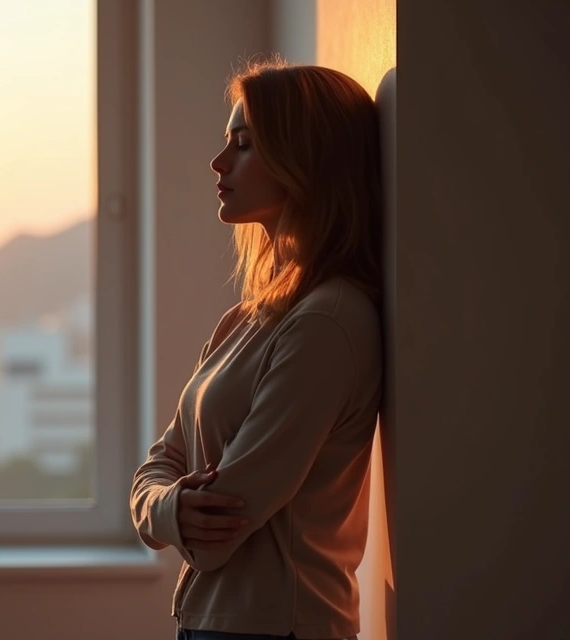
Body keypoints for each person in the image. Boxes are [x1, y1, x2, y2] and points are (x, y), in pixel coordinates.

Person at [130, 60, 384, 640]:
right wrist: (169, 508)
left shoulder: (329, 320)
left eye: (244, 145)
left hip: (277, 626)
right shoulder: (245, 319)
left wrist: (164, 511)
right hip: (217, 623)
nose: (218, 163)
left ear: (305, 161)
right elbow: (158, 462)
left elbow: (222, 526)